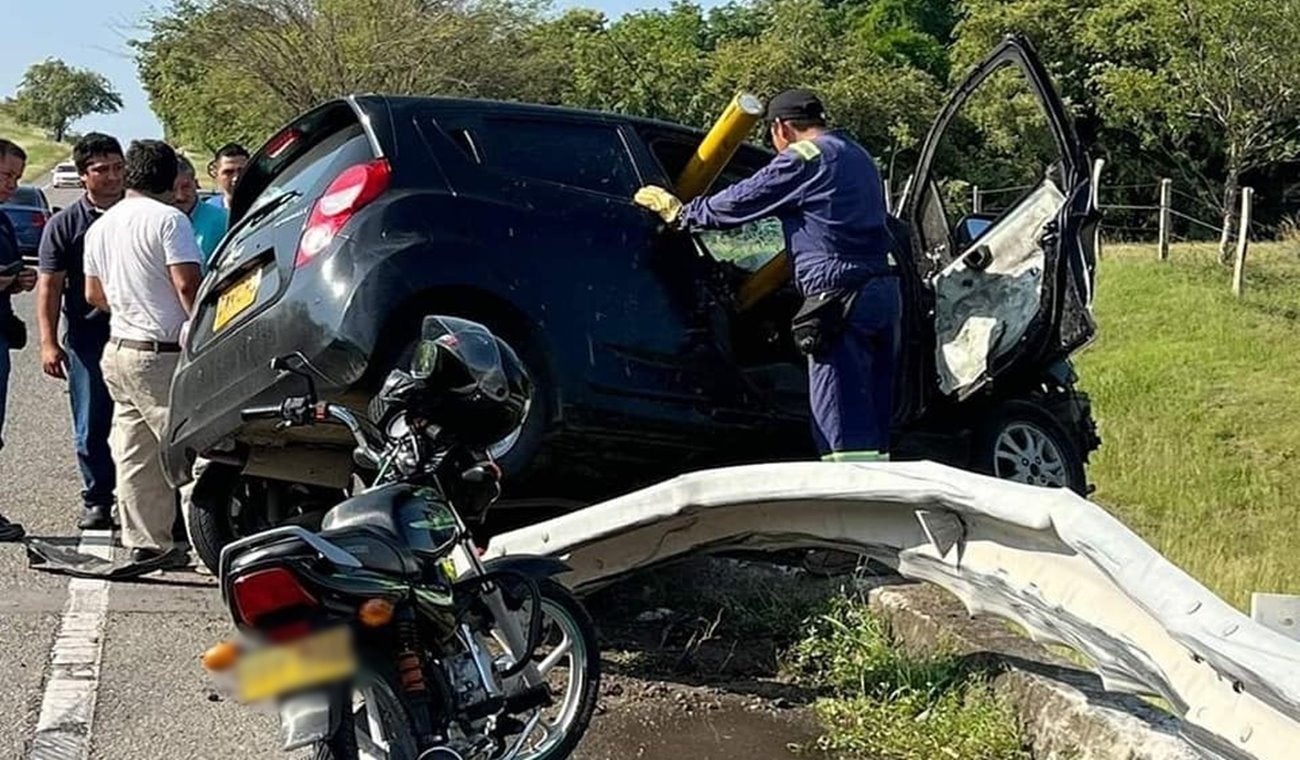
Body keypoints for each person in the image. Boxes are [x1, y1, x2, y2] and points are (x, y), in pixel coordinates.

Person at [634, 89, 901, 462]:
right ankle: (879, 483)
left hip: (839, 297)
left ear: (781, 128)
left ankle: (847, 485)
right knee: (872, 408)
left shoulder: (805, 157)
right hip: (883, 293)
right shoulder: (857, 155)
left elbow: (745, 198)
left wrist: (683, 215)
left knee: (839, 412)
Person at [84, 139, 202, 566]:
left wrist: (132, 306)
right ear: (170, 177)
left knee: (135, 453)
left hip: (120, 347)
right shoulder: (170, 220)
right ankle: (206, 546)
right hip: (162, 352)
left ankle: (148, 543)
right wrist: (201, 326)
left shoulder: (102, 225)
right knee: (191, 449)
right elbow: (186, 284)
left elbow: (93, 294)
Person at [37, 133, 125, 530]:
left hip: (142, 336)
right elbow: (50, 286)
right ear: (83, 174)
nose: (112, 176)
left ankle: (145, 503)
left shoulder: (140, 214)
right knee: (92, 425)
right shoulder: (64, 224)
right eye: (102, 169)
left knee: (140, 426)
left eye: (118, 168)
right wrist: (48, 342)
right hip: (88, 342)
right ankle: (97, 499)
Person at [0, 139, 39, 541]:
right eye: (6, 176)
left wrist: (17, 280)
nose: (12, 185)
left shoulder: (3, 220)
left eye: (17, 178)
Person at [173, 154, 228, 271]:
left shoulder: (224, 220)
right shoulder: (155, 223)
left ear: (196, 183)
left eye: (186, 187)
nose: (180, 196)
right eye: (172, 189)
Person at [206, 143, 249, 211]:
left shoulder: (264, 206)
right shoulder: (208, 210)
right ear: (216, 174)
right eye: (228, 172)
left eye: (242, 171)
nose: (236, 178)